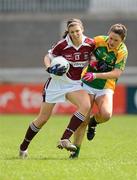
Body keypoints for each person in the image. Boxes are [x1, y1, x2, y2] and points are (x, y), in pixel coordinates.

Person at [19, 18, 95, 158]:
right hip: (57, 83)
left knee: (85, 105)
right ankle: (23, 147)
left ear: (82, 30)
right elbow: (48, 57)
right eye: (72, 32)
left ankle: (65, 138)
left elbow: (94, 57)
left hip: (74, 83)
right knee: (43, 118)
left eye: (77, 31)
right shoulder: (62, 44)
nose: (75, 34)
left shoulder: (90, 44)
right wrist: (49, 68)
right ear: (69, 32)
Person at [69, 23, 128, 159]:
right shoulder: (98, 40)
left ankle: (93, 122)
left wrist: (96, 75)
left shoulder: (122, 51)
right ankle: (75, 152)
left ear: (122, 40)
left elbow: (117, 73)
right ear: (108, 34)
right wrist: (92, 59)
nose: (112, 42)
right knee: (83, 118)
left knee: (106, 115)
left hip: (106, 85)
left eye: (116, 40)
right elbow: (84, 50)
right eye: (111, 38)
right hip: (87, 83)